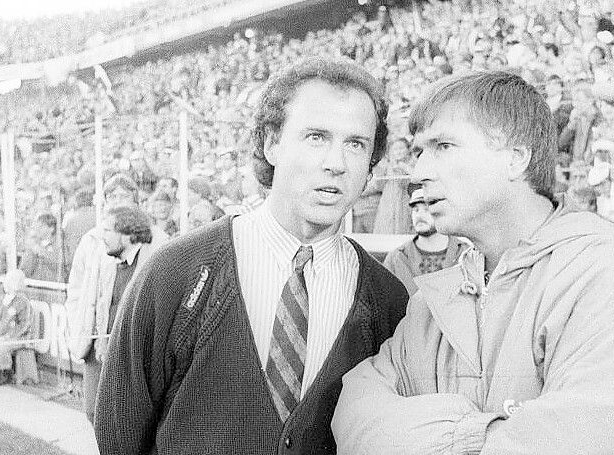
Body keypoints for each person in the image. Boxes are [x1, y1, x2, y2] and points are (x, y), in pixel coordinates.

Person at [332, 72, 614, 454]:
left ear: (515, 158)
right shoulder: (433, 303)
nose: (420, 172)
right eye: (419, 152)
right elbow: (354, 416)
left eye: (442, 146)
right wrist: (492, 433)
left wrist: (453, 435)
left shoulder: (612, 277)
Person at [95, 58, 408, 454]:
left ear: (371, 164)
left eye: (356, 144)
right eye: (316, 137)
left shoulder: (388, 301)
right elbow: (119, 436)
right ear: (270, 143)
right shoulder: (174, 273)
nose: (336, 163)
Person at [64, 173, 168, 425]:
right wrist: (78, 325)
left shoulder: (156, 240)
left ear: (136, 201)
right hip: (96, 338)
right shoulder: (92, 239)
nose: (118, 201)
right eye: (113, 196)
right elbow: (76, 289)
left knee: (132, 419)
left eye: (125, 196)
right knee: (94, 412)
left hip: (134, 344)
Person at [383, 185, 470, 295]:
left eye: (426, 209)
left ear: (442, 212)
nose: (419, 215)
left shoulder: (466, 254)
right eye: (416, 210)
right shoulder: (396, 259)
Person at [0, 269, 33, 386]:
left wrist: (7, 337)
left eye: (8, 281)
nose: (5, 284)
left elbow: (24, 326)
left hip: (20, 338)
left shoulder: (22, 301)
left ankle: (6, 373)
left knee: (1, 348)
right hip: (3, 336)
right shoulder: (6, 300)